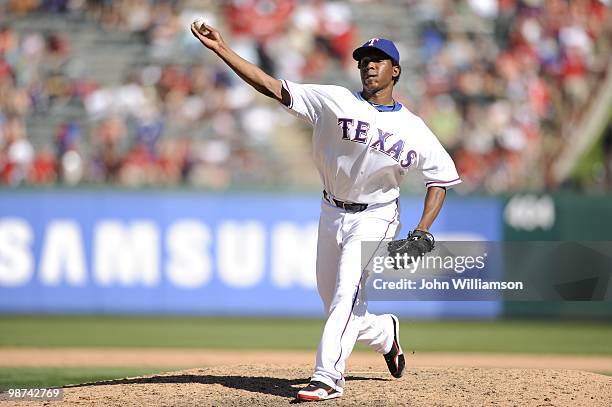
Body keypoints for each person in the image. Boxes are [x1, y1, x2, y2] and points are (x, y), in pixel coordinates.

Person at [190, 22, 461, 402]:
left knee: (345, 295)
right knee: (335, 300)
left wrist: (422, 228)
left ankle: (327, 377)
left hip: (377, 215)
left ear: (395, 71)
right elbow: (270, 85)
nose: (369, 66)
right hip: (331, 210)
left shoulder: (413, 128)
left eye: (378, 60)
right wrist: (222, 49)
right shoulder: (333, 100)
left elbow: (442, 178)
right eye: (364, 60)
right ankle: (385, 333)